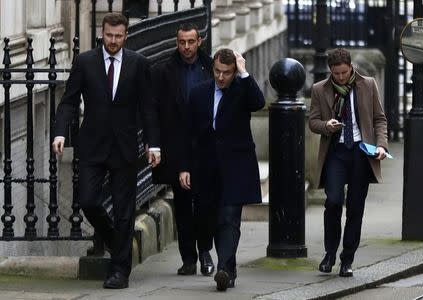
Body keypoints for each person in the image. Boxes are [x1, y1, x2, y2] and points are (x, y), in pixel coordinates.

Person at [52, 12, 160, 289]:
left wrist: (153, 142)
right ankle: (115, 241)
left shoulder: (138, 64)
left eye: (118, 36)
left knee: (125, 210)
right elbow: (68, 102)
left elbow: (148, 107)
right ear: (103, 33)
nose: (113, 41)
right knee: (88, 201)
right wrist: (60, 132)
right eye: (109, 36)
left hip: (124, 147)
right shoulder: (86, 61)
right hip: (92, 145)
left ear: (126, 36)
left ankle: (119, 271)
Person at [179, 48, 265, 291]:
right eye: (217, 71)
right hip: (205, 167)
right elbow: (188, 133)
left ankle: (224, 269)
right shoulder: (198, 93)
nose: (221, 77)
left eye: (227, 73)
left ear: (234, 71)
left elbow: (258, 102)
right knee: (208, 219)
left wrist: (244, 72)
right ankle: (229, 265)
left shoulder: (242, 90)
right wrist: (184, 167)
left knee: (229, 218)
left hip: (236, 166)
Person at [309, 48, 388, 277]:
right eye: (336, 74)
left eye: (344, 73)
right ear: (330, 71)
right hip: (336, 152)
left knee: (355, 208)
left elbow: (379, 119)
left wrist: (381, 145)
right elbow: (313, 121)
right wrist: (327, 126)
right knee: (333, 202)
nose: (340, 77)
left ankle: (347, 260)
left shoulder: (368, 84)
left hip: (361, 154)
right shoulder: (319, 89)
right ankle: (330, 253)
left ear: (351, 67)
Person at [150, 23, 215, 276]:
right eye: (181, 42)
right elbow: (154, 110)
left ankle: (206, 252)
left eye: (190, 41)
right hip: (177, 146)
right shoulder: (164, 71)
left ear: (199, 41)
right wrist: (155, 143)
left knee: (206, 205)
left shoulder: (211, 67)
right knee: (184, 206)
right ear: (176, 43)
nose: (186, 47)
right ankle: (189, 259)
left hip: (206, 146)